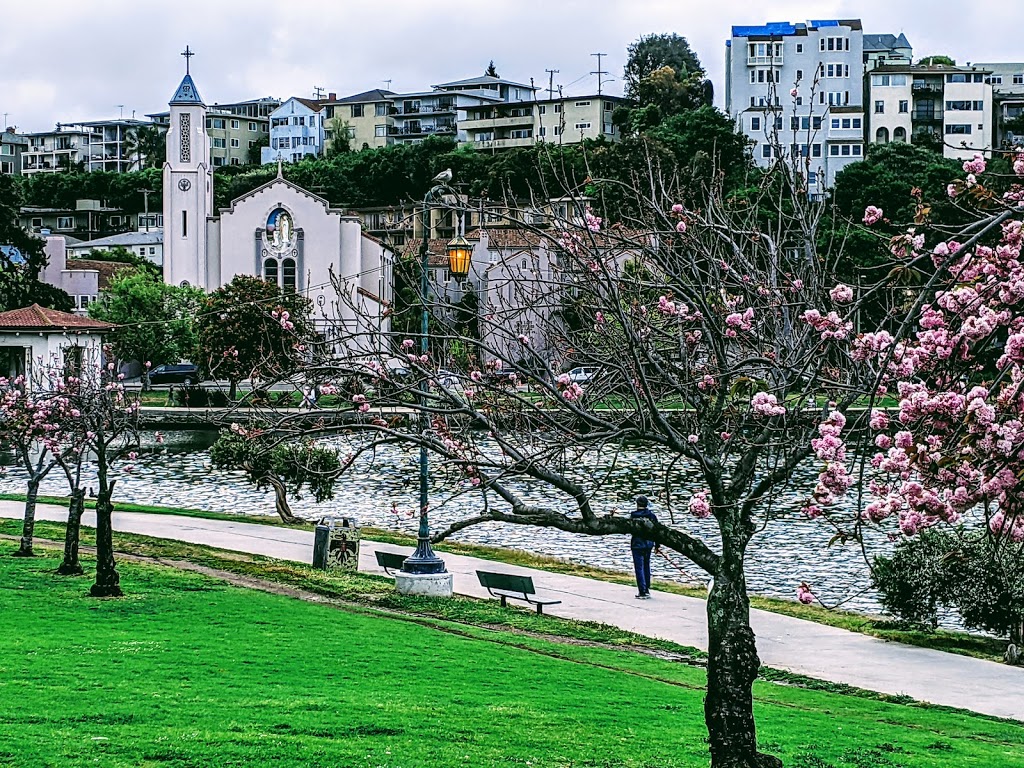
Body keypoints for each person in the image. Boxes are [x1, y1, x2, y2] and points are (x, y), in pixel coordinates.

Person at [630, 495, 658, 599]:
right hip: (649, 544)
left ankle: (642, 590)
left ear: (637, 504)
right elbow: (657, 531)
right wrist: (657, 545)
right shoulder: (651, 516)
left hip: (637, 544)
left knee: (639, 568)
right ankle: (647, 589)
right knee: (646, 565)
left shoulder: (633, 516)